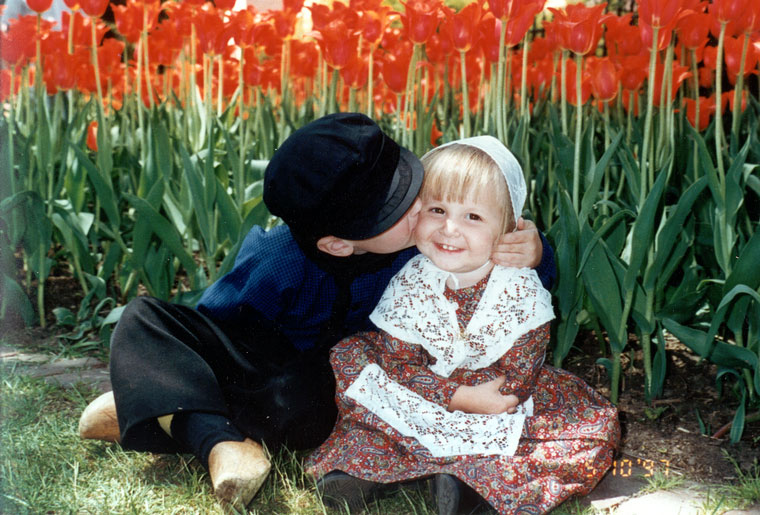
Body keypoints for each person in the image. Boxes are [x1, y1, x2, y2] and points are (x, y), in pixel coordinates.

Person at [77, 114, 556, 509]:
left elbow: (507, 284)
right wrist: (191, 364)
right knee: (142, 318)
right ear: (337, 244)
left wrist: (535, 251)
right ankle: (215, 437)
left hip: (317, 392)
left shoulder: (428, 248)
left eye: (410, 184)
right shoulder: (278, 261)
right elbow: (213, 326)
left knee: (311, 386)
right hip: (259, 365)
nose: (420, 207)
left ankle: (168, 410)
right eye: (399, 206)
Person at [306, 136, 620, 515]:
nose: (449, 229)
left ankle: (466, 484)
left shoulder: (518, 290)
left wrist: (475, 402)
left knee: (590, 429)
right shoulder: (412, 279)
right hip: (424, 393)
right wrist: (454, 398)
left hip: (495, 402)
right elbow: (397, 361)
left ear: (508, 228)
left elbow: (516, 382)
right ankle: (361, 472)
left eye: (472, 216)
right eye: (437, 209)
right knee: (356, 363)